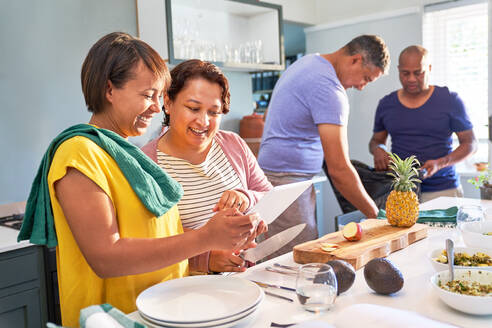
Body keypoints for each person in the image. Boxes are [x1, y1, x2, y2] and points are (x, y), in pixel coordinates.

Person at [17, 32, 262, 327]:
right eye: (148, 95)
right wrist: (206, 238)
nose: (158, 108)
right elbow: (106, 257)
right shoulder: (79, 154)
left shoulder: (128, 156)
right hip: (117, 318)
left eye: (160, 96)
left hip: (161, 311)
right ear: (109, 89)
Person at [258, 35, 390, 258]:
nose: (361, 87)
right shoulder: (329, 89)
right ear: (355, 60)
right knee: (296, 264)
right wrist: (376, 216)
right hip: (288, 184)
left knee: (275, 259)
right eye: (366, 78)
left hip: (273, 180)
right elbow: (339, 169)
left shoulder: (307, 63)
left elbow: (267, 116)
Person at [142, 59, 272, 273]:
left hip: (243, 282)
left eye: (214, 112)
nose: (203, 121)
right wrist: (205, 259)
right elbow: (147, 243)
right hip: (182, 293)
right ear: (167, 102)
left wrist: (248, 199)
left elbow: (267, 195)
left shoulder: (233, 144)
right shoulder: (146, 163)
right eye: (193, 108)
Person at [369, 45, 477, 203]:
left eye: (418, 73)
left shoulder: (449, 100)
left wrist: (440, 164)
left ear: (429, 68)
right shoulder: (386, 104)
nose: (411, 79)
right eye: (405, 73)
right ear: (398, 70)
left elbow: (471, 144)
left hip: (443, 190)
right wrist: (379, 149)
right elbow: (376, 141)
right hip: (400, 191)